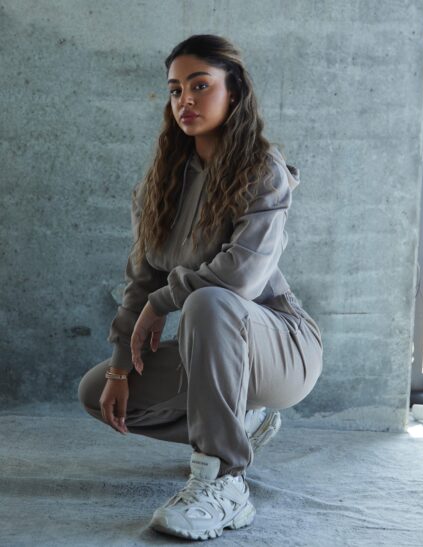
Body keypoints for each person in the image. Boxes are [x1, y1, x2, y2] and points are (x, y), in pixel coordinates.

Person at [78, 33, 323, 541]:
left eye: (200, 85)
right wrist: (121, 365)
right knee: (97, 392)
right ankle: (242, 424)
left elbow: (241, 278)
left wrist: (164, 302)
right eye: (175, 90)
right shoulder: (159, 185)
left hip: (282, 346)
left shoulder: (263, 170)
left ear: (233, 92)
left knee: (210, 302)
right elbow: (140, 280)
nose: (184, 100)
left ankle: (225, 481)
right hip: (216, 351)